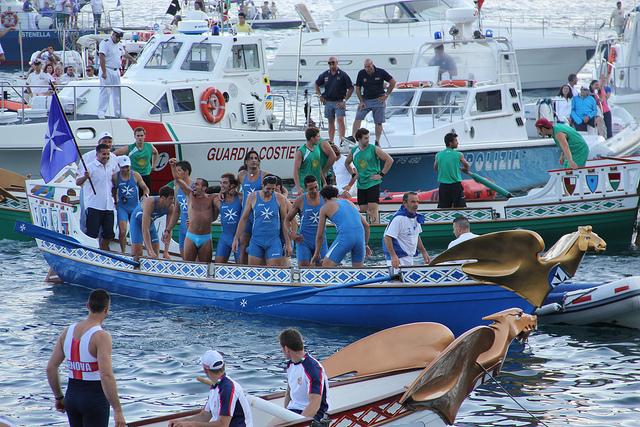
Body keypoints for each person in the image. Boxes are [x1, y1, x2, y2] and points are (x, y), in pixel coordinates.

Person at [46, 289, 126, 427]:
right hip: (94, 400)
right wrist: (118, 410)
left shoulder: (67, 331)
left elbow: (50, 368)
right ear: (107, 310)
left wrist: (59, 397)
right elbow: (106, 375)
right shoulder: (101, 336)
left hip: (72, 397)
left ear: (87, 306)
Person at [168, 350, 253, 427]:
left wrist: (192, 425)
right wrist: (182, 421)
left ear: (205, 370)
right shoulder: (216, 386)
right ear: (223, 366)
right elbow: (205, 415)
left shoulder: (228, 389)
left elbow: (223, 425)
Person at [232, 175, 291, 266]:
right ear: (262, 186)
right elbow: (243, 219)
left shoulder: (280, 198)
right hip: (256, 241)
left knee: (274, 274)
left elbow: (284, 221)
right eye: (268, 189)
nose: (270, 191)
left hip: (273, 241)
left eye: (273, 189)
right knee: (254, 273)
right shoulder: (252, 197)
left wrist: (288, 243)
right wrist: (236, 238)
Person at [344, 127, 394, 224]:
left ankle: (375, 230)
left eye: (368, 137)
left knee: (372, 210)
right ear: (359, 139)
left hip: (373, 183)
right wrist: (353, 174)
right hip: (361, 184)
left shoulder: (373, 148)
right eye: (365, 138)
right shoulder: (354, 151)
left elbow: (389, 160)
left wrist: (381, 174)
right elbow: (347, 163)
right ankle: (366, 231)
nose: (368, 140)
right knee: (362, 211)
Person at [170, 164, 219, 262]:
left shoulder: (212, 198)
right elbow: (178, 180)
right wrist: (172, 167)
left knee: (205, 266)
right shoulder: (190, 194)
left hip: (206, 238)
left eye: (197, 184)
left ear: (204, 188)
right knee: (188, 265)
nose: (193, 186)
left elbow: (220, 202)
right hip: (191, 236)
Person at [313, 186, 370, 267]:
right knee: (358, 270)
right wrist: (365, 244)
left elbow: (320, 235)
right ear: (336, 195)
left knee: (326, 267)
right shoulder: (349, 203)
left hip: (346, 237)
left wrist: (316, 253)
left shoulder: (324, 208)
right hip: (360, 238)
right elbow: (366, 225)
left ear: (324, 198)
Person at [280, 329, 329, 422]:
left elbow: (315, 404)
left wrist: (298, 423)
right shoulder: (290, 365)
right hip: (294, 410)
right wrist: (285, 413)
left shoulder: (312, 368)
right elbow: (289, 392)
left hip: (315, 414)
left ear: (286, 349)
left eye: (281, 348)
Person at [76, 144, 118, 250]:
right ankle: (90, 252)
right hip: (94, 205)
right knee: (92, 233)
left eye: (108, 154)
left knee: (109, 234)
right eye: (104, 154)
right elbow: (78, 182)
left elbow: (113, 184)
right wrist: (85, 177)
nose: (106, 156)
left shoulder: (111, 166)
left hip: (108, 205)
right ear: (98, 154)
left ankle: (103, 251)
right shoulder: (90, 167)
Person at [351, 59, 396, 145]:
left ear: (372, 65)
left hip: (379, 100)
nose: (367, 69)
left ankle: (377, 141)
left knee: (378, 122)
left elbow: (393, 82)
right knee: (358, 117)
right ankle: (353, 138)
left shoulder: (381, 72)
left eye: (368, 66)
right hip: (366, 100)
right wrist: (361, 101)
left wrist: (386, 95)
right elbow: (357, 88)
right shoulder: (361, 73)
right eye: (365, 67)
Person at [286, 175, 328, 267]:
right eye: (311, 189)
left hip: (321, 240)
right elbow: (287, 219)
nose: (314, 191)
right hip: (304, 241)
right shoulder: (300, 200)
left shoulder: (324, 198)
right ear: (305, 188)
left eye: (316, 187)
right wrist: (291, 234)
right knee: (303, 268)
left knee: (324, 267)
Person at [237, 150, 270, 264]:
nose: (254, 160)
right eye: (251, 158)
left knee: (261, 243)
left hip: (259, 215)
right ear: (246, 161)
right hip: (246, 214)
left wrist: (285, 194)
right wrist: (227, 194)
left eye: (256, 158)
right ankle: (243, 271)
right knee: (243, 244)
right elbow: (231, 187)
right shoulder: (241, 176)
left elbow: (277, 188)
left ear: (259, 162)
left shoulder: (264, 175)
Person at [112, 155, 149, 254]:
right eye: (123, 167)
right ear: (119, 166)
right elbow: (114, 189)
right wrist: (115, 201)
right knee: (122, 231)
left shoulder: (135, 175)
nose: (125, 169)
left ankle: (137, 250)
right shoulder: (116, 176)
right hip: (122, 207)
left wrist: (145, 196)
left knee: (136, 230)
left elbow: (145, 188)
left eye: (127, 167)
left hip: (134, 207)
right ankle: (123, 252)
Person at [383, 192, 430, 267]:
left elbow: (416, 235)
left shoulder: (416, 217)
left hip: (409, 257)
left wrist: (424, 252)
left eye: (417, 202)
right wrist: (393, 256)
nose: (416, 204)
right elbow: (387, 238)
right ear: (404, 203)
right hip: (398, 258)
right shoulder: (398, 218)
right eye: (413, 202)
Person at [98, 28, 136, 119]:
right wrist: (104, 72)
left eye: (120, 38)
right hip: (107, 69)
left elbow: (124, 53)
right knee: (105, 91)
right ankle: (101, 112)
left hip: (116, 71)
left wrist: (132, 59)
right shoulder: (105, 43)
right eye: (117, 37)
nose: (118, 39)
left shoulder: (119, 44)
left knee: (117, 92)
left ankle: (118, 112)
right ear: (113, 35)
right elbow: (101, 57)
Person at [315, 57, 354, 144]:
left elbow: (351, 88)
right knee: (330, 121)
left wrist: (345, 100)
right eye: (329, 63)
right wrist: (320, 95)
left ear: (337, 63)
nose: (331, 65)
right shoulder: (325, 74)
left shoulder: (343, 75)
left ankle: (342, 141)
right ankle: (331, 141)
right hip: (328, 101)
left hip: (339, 101)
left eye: (333, 63)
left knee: (340, 120)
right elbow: (317, 84)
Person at [130, 186, 176, 259]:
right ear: (163, 198)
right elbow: (145, 229)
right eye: (171, 198)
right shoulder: (150, 202)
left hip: (149, 223)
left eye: (173, 198)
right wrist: (149, 251)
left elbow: (169, 229)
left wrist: (166, 251)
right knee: (137, 253)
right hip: (137, 222)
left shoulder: (171, 207)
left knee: (155, 252)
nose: (173, 201)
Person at [293, 127, 337, 195]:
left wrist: (324, 182)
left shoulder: (317, 148)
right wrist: (298, 187)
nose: (319, 138)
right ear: (312, 138)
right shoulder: (301, 151)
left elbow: (318, 167)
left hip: (317, 185)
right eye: (318, 136)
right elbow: (295, 170)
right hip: (305, 187)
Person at [434, 132, 469, 208]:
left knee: (444, 208)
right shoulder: (459, 154)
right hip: (456, 186)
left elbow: (435, 168)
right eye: (456, 141)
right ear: (450, 143)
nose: (457, 142)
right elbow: (467, 165)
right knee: (461, 208)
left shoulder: (438, 155)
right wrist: (463, 169)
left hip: (444, 186)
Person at [214, 173, 243, 263]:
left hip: (239, 238)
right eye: (221, 183)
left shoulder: (241, 197)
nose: (222, 185)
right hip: (225, 237)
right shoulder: (217, 200)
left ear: (232, 185)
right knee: (218, 266)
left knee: (242, 267)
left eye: (225, 183)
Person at [166, 160, 192, 258]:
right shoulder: (177, 188)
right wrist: (168, 229)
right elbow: (177, 211)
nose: (177, 174)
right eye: (176, 171)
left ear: (186, 172)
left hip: (193, 229)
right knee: (184, 259)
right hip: (183, 228)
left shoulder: (194, 187)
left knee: (195, 261)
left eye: (179, 171)